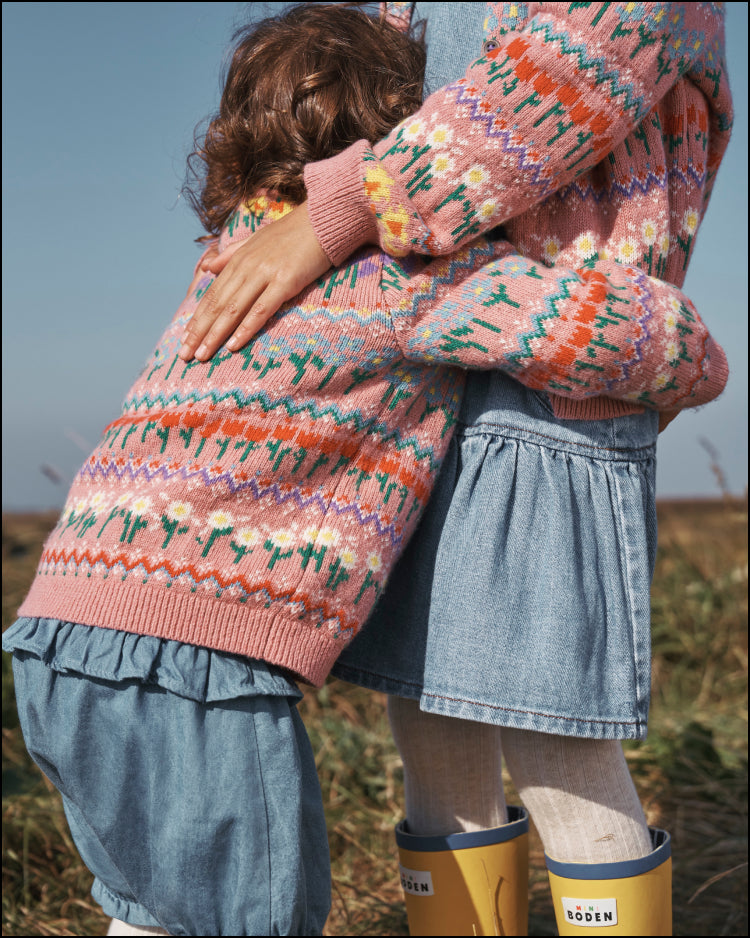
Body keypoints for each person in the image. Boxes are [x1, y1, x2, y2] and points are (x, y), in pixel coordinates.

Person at [178, 2, 734, 935]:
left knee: (553, 733)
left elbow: (548, 91)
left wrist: (332, 215)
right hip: (410, 389)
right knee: (430, 715)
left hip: (555, 389)